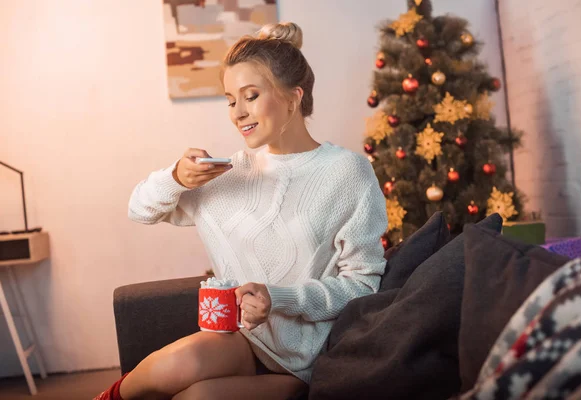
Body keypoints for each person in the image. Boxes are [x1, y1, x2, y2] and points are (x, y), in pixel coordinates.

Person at [95, 22, 388, 400]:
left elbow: (362, 285)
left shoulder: (346, 172)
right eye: (231, 100)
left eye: (250, 96)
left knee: (198, 398)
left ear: (293, 98)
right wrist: (177, 178)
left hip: (306, 361)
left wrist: (278, 297)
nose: (238, 112)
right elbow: (140, 209)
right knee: (170, 366)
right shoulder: (226, 173)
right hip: (242, 339)